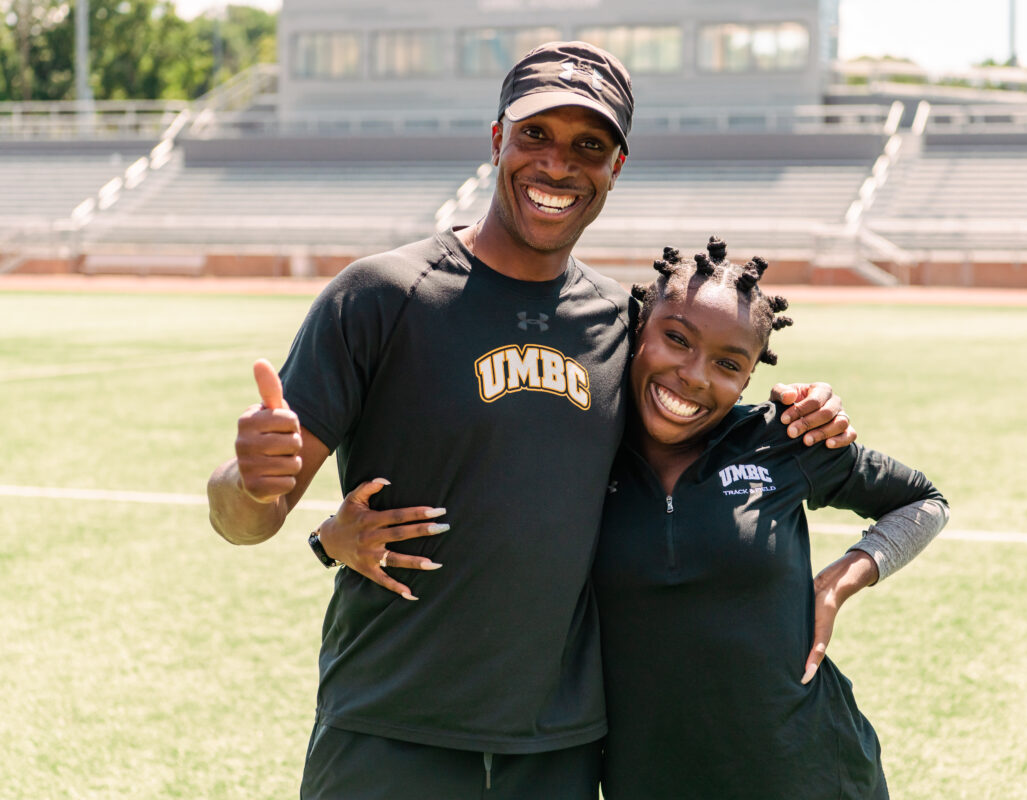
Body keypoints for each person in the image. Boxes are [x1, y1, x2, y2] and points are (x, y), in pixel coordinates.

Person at [206, 44, 854, 799]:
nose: (557, 166)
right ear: (495, 142)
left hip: (559, 751)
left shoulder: (625, 325)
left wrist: (814, 414)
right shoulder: (380, 298)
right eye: (535, 135)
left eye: (589, 146)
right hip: (387, 728)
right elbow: (245, 521)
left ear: (617, 166)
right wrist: (251, 484)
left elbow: (704, 429)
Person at [590, 239, 950, 799]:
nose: (694, 375)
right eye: (676, 339)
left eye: (729, 364)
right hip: (651, 778)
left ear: (751, 376)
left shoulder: (785, 440)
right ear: (640, 331)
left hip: (807, 767)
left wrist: (837, 583)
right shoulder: (580, 447)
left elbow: (924, 502)